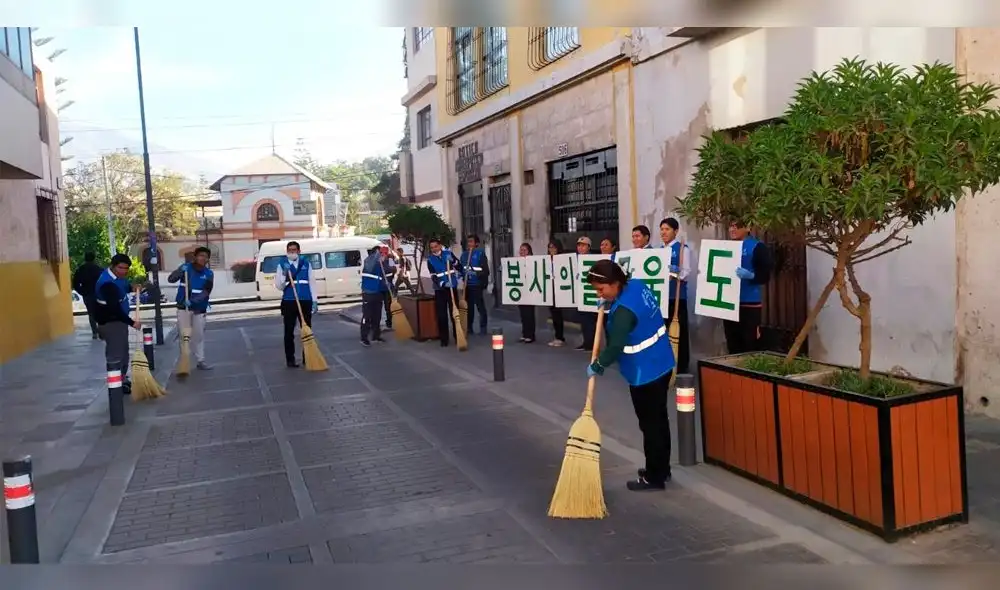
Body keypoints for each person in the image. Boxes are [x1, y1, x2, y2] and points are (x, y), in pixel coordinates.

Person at [585, 259, 675, 491]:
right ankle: (661, 469)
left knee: (650, 425)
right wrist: (609, 306)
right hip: (662, 361)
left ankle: (654, 477)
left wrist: (598, 364)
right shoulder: (636, 285)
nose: (600, 293)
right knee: (659, 420)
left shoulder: (624, 312)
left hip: (645, 372)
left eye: (601, 289)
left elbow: (615, 346)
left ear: (615, 284)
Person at [94, 254, 143, 395]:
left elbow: (123, 286)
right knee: (116, 355)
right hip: (111, 323)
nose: (123, 271)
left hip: (118, 323)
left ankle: (121, 379)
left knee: (122, 353)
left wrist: (131, 287)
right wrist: (132, 322)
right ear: (113, 266)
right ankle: (116, 385)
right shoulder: (106, 283)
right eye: (120, 268)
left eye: (126, 268)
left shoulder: (118, 278)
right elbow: (114, 309)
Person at [725, 220, 774, 354]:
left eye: (736, 226)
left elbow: (765, 275)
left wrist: (751, 276)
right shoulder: (725, 247)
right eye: (731, 226)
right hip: (729, 304)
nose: (732, 230)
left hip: (749, 303)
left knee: (749, 343)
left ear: (747, 228)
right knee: (732, 343)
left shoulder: (757, 247)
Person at [167, 246, 215, 370]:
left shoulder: (209, 274)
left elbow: (206, 291)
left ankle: (201, 360)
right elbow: (171, 279)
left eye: (206, 256)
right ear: (195, 257)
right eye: (200, 255)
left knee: (198, 335)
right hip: (183, 308)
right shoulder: (186, 269)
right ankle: (185, 360)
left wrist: (193, 301)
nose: (203, 258)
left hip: (199, 308)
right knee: (184, 335)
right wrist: (179, 271)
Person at [273, 241, 315, 367]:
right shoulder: (282, 265)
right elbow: (279, 286)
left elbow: (312, 282)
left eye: (294, 250)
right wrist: (285, 277)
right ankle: (290, 359)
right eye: (290, 250)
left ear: (299, 251)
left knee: (307, 330)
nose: (292, 252)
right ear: (287, 252)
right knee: (289, 331)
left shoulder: (306, 263)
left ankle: (307, 357)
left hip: (305, 300)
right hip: (289, 301)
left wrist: (315, 301)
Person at [660, 217, 693, 374]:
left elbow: (686, 272)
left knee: (680, 332)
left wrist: (675, 272)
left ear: (675, 231)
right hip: (662, 298)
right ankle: (666, 364)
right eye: (662, 229)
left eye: (667, 229)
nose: (663, 232)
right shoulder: (659, 250)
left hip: (677, 297)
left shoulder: (682, 249)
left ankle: (681, 365)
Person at [425, 237, 464, 347]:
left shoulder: (449, 254)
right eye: (431, 247)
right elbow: (434, 277)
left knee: (454, 313)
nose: (434, 249)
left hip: (452, 288)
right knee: (441, 315)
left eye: (435, 246)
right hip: (440, 289)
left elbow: (460, 267)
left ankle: (458, 337)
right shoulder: (430, 260)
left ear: (440, 246)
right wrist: (442, 284)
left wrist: (454, 261)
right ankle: (444, 339)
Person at [460, 234, 490, 336]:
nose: (469, 244)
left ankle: (483, 328)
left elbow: (486, 271)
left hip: (477, 285)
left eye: (471, 242)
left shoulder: (480, 254)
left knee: (480, 307)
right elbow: (461, 268)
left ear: (476, 243)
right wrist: (462, 275)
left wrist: (475, 273)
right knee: (469, 308)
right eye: (468, 242)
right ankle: (469, 328)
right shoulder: (464, 255)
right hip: (467, 285)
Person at [73, 251, 104, 339]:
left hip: (87, 294)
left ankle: (94, 332)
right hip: (99, 294)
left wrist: (82, 292)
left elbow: (75, 283)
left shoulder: (81, 269)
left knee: (91, 314)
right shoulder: (99, 269)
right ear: (94, 258)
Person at [360, 246, 387, 347]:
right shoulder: (369, 261)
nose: (384, 255)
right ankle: (364, 338)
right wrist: (377, 255)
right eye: (382, 253)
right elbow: (370, 268)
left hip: (378, 293)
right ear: (376, 253)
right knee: (367, 317)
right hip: (368, 293)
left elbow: (379, 278)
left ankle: (376, 336)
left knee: (377, 316)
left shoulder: (379, 264)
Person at [575, 236, 597, 352]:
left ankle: (593, 343)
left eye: (583, 245)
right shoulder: (574, 260)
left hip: (590, 294)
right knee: (583, 320)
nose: (580, 247)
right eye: (579, 245)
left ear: (589, 247)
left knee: (591, 321)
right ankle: (586, 342)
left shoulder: (593, 259)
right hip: (580, 294)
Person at [546, 240, 566, 347]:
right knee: (553, 313)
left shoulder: (563, 260)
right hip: (550, 290)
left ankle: (560, 337)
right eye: (550, 247)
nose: (551, 250)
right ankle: (557, 336)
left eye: (554, 247)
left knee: (558, 314)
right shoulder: (546, 260)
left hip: (559, 290)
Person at [516, 242, 536, 343]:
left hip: (530, 290)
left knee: (529, 313)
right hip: (521, 291)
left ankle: (531, 335)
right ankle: (524, 333)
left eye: (524, 250)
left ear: (529, 252)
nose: (522, 252)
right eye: (521, 250)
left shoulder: (533, 262)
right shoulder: (517, 261)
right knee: (523, 313)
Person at [379, 244, 396, 330]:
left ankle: (389, 322)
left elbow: (394, 270)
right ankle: (376, 324)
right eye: (381, 253)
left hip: (388, 286)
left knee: (388, 306)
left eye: (384, 253)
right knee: (378, 306)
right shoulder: (377, 261)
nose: (383, 254)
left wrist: (387, 272)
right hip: (379, 287)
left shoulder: (390, 260)